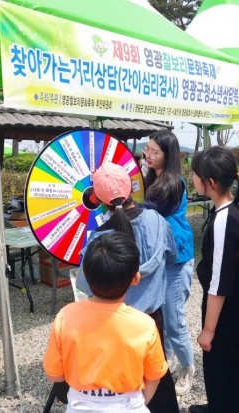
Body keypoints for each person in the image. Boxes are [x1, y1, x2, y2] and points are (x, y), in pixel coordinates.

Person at [75, 162, 179, 413]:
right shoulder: (157, 221)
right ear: (132, 189)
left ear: (98, 200)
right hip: (153, 319)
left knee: (124, 385)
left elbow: (83, 284)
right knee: (158, 375)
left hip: (116, 324)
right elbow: (172, 256)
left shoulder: (100, 239)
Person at [43, 232, 168, 413]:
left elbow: (54, 374)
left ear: (84, 274)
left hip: (80, 406)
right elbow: (154, 376)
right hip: (130, 405)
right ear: (135, 278)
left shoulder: (65, 316)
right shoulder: (145, 325)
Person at [188, 146, 239, 413]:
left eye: (195, 174)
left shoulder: (226, 218)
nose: (192, 178)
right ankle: (218, 404)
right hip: (227, 302)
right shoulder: (228, 210)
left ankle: (227, 407)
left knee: (224, 361)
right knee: (219, 362)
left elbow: (219, 280)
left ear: (210, 182)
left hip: (225, 306)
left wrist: (209, 328)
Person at [142, 130, 196, 396]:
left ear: (168, 155)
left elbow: (146, 211)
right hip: (163, 257)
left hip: (177, 258)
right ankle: (169, 357)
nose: (148, 155)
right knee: (162, 315)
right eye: (147, 149)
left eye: (155, 152)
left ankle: (188, 369)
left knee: (174, 320)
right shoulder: (154, 176)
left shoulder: (173, 183)